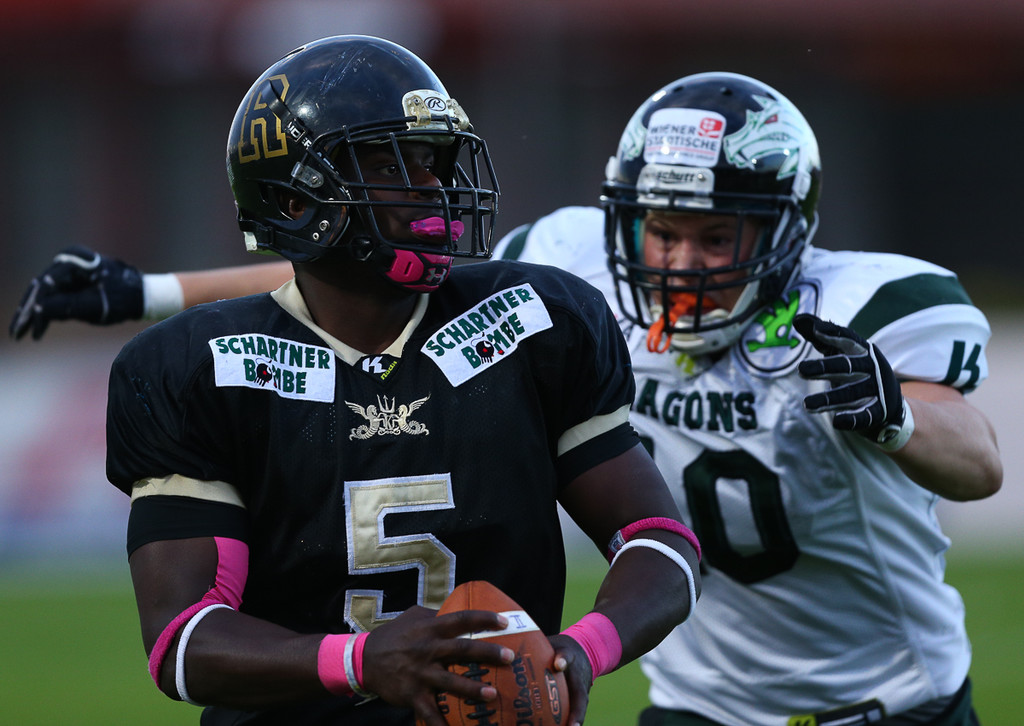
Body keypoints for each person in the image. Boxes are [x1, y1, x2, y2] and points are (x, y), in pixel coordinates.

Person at [9, 71, 1002, 725]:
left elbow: (977, 457)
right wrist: (150, 293)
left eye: (716, 236)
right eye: (661, 231)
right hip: (700, 702)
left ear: (785, 229)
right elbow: (341, 261)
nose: (681, 261)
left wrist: (894, 411)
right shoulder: (574, 270)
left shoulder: (865, 308)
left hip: (892, 693)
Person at [50, 35, 703, 726]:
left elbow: (660, 540)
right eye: (394, 166)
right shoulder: (197, 368)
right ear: (296, 200)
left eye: (432, 163)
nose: (434, 190)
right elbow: (183, 641)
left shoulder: (536, 323)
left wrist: (582, 649)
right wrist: (360, 661)